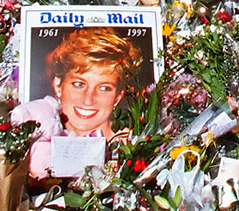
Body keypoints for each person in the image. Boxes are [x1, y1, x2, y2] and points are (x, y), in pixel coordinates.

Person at [13, 27, 148, 175]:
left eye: (104, 88)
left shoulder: (134, 144)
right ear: (58, 84)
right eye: (79, 84)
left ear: (118, 96)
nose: (88, 100)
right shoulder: (36, 142)